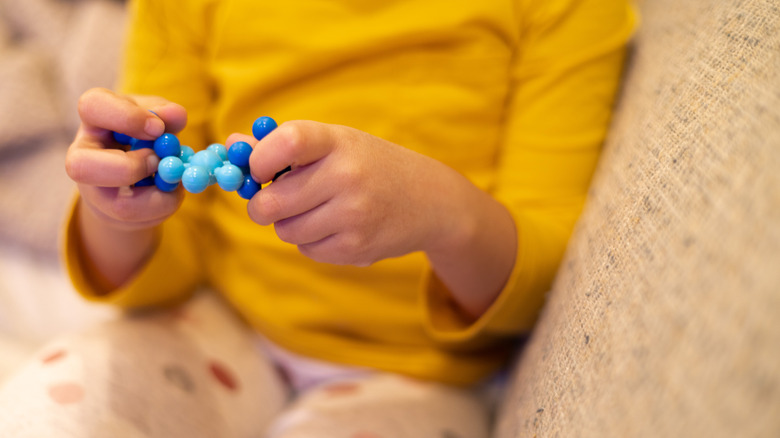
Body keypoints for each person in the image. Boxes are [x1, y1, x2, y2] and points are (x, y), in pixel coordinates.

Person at [1, 0, 637, 436]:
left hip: (416, 374)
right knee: (53, 414)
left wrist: (442, 212)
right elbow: (169, 253)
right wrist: (116, 210)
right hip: (225, 321)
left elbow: (544, 281)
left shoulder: (565, 11)